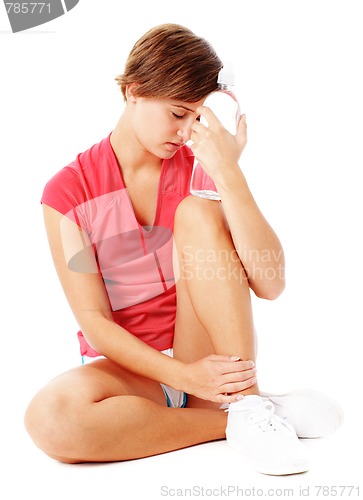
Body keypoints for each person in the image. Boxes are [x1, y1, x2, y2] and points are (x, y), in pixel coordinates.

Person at [24, 23, 342, 476]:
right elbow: (94, 322)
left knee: (196, 212)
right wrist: (183, 379)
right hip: (131, 371)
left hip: (204, 352)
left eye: (197, 117)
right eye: (177, 114)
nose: (186, 131)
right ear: (133, 91)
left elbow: (270, 284)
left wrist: (229, 173)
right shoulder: (68, 191)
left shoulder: (199, 169)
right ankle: (236, 417)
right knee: (51, 421)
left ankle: (246, 406)